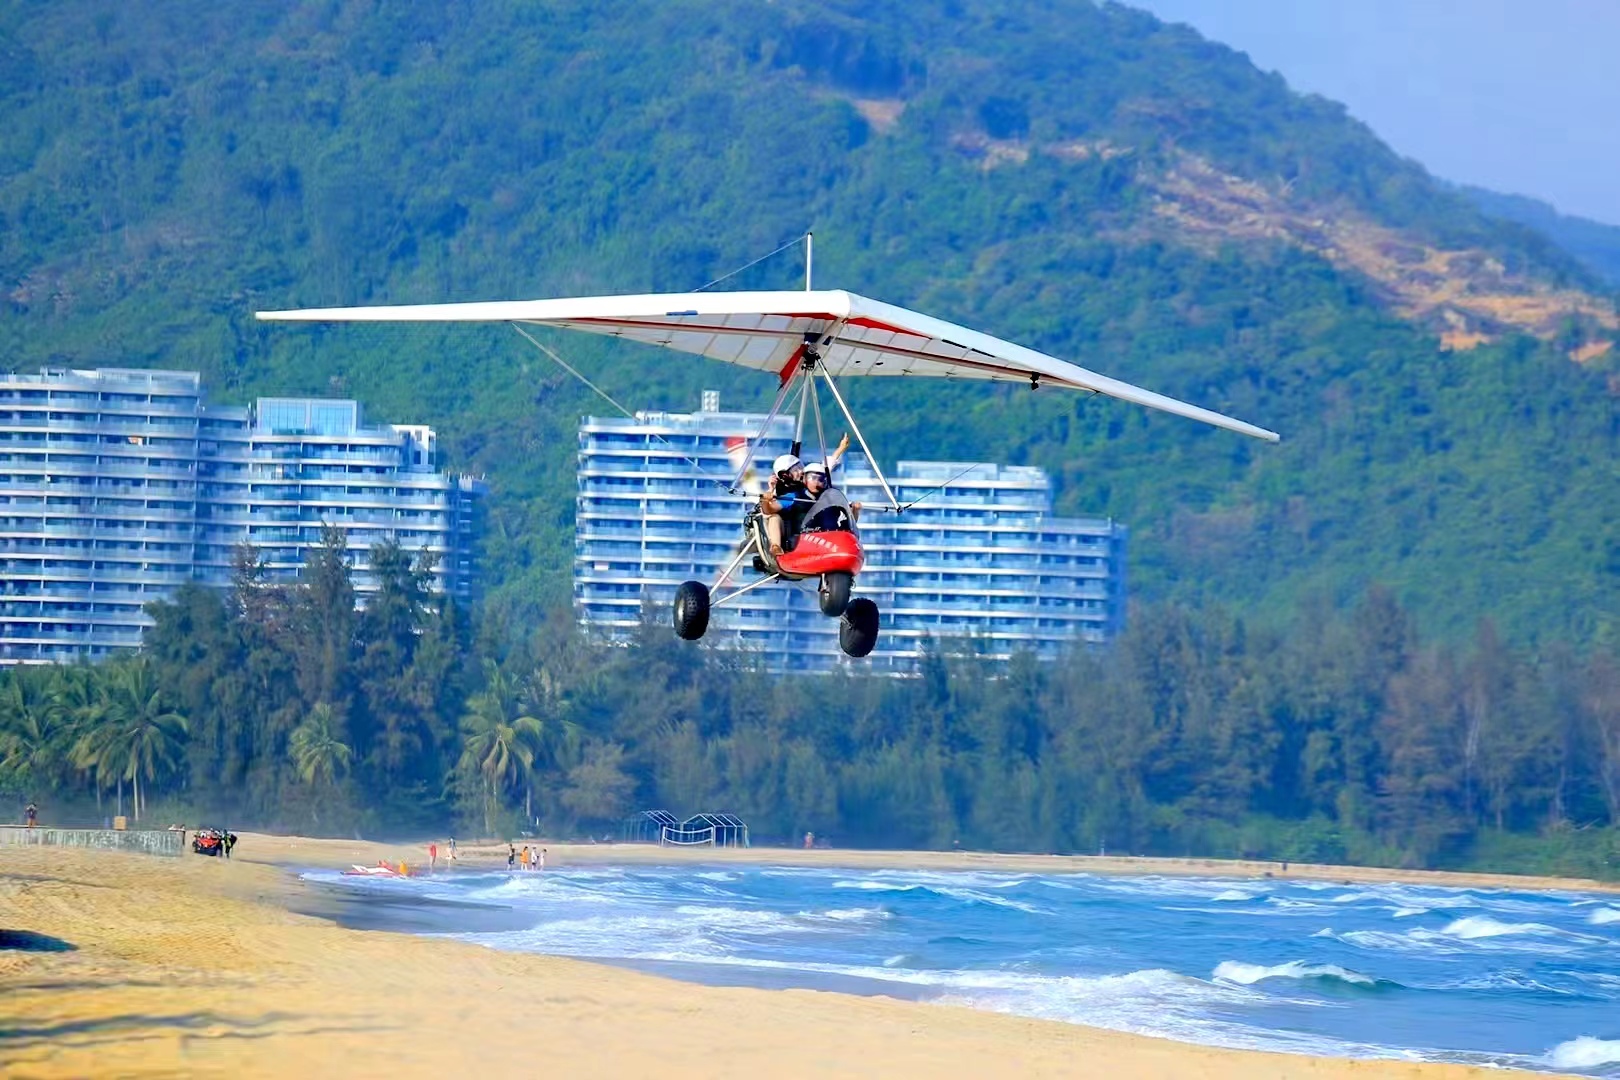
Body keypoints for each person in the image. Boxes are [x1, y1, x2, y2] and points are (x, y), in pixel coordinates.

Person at [760, 454, 806, 556]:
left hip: (815, 529)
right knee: (774, 517)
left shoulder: (812, 483)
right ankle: (776, 546)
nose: (801, 471)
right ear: (786, 475)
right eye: (796, 470)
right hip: (794, 530)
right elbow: (769, 510)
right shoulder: (792, 496)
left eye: (800, 467)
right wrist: (766, 498)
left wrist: (840, 450)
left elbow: (825, 468)